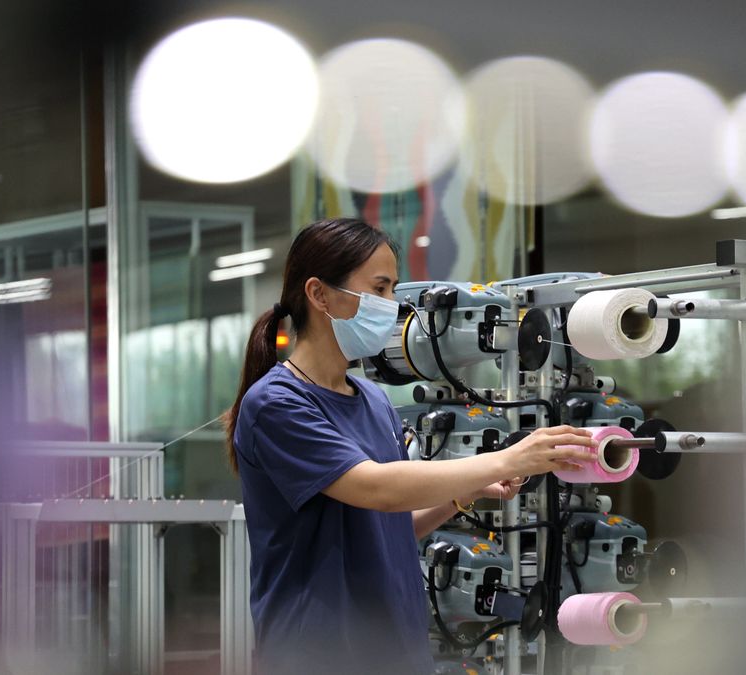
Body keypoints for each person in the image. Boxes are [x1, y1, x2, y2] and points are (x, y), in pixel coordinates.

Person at [223, 218, 596, 674]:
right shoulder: (277, 404)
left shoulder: (374, 400)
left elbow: (390, 527)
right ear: (319, 294)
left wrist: (466, 494)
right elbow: (377, 488)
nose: (391, 306)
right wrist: (506, 456)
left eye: (393, 289)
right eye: (378, 289)